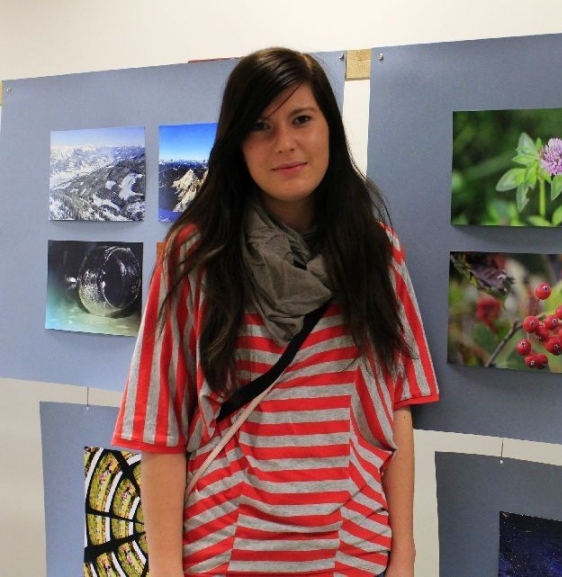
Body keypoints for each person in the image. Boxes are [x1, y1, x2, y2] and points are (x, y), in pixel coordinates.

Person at [112, 47, 439, 577]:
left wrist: (405, 553)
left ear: (329, 126)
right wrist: (166, 569)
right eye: (260, 126)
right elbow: (160, 426)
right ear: (237, 144)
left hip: (350, 548)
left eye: (302, 119)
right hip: (225, 546)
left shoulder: (374, 252)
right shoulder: (196, 255)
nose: (285, 143)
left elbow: (397, 407)